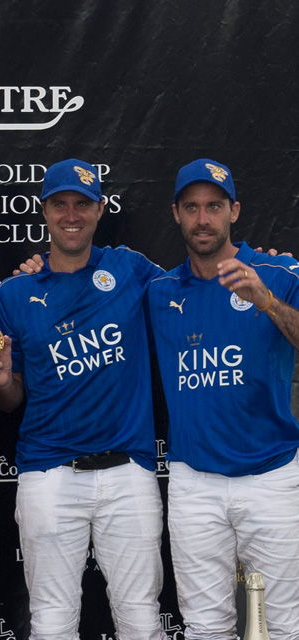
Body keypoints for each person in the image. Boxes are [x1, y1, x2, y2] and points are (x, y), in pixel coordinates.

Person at [0, 159, 166, 639]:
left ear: (100, 209)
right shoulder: (15, 293)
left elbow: (196, 290)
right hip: (49, 473)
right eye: (60, 204)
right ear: (44, 211)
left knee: (141, 620)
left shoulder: (130, 268)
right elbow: (8, 398)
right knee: (52, 622)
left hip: (129, 472)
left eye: (82, 204)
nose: (71, 215)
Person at [147, 159, 299, 638]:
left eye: (214, 206)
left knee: (281, 625)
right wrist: (40, 263)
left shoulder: (279, 271)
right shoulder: (158, 289)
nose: (203, 219)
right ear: (176, 214)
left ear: (234, 210)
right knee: (205, 626)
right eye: (192, 207)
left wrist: (267, 301)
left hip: (272, 476)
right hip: (195, 483)